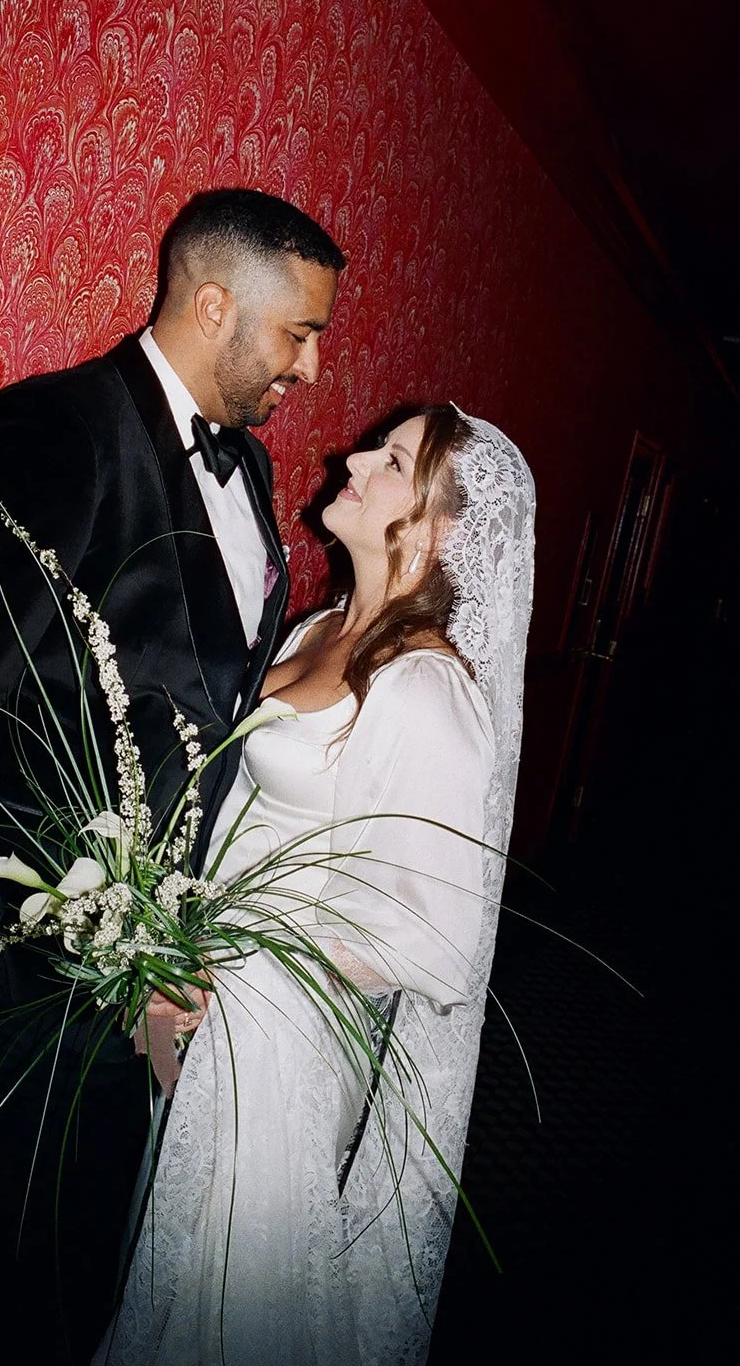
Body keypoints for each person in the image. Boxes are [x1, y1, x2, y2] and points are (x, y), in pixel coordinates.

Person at [0, 187, 344, 1363]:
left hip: (142, 958)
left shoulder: (253, 476)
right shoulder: (51, 432)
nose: (312, 371)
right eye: (298, 334)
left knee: (92, 1259)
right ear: (213, 302)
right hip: (18, 960)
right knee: (25, 1279)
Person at [98, 403, 536, 1366]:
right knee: (175, 1271)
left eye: (391, 461)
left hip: (281, 1041)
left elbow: (440, 946)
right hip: (206, 1003)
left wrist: (250, 954)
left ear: (434, 528)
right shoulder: (322, 624)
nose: (353, 457)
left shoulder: (426, 693)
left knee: (235, 1302)